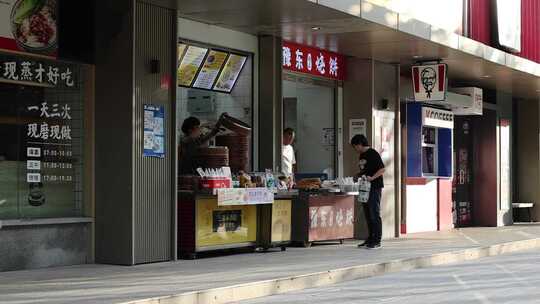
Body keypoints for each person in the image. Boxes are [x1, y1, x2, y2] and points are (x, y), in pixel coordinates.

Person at [351, 134, 385, 250]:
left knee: (374, 212)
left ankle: (377, 240)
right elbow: (365, 170)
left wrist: (372, 177)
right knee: (367, 213)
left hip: (374, 187)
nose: (355, 149)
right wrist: (358, 175)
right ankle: (370, 238)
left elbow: (382, 169)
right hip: (365, 187)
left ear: (360, 144)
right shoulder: (361, 155)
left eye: (355, 146)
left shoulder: (373, 153)